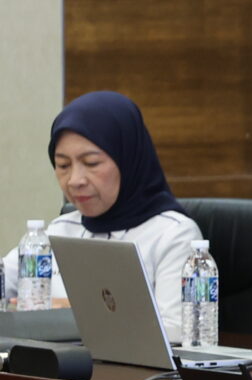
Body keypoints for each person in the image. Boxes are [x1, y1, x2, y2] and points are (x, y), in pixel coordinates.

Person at [45, 91, 197, 333]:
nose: (74, 180)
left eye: (92, 163)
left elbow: (176, 331)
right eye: (63, 165)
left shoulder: (173, 235)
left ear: (128, 159)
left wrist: (67, 313)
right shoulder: (59, 230)